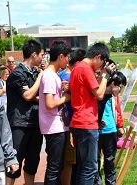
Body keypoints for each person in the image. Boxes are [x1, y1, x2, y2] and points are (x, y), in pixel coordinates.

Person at [69, 43, 116, 185]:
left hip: (78, 122)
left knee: (83, 167)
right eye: (102, 63)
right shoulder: (85, 69)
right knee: (90, 168)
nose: (101, 67)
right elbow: (100, 94)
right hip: (86, 123)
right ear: (98, 57)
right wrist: (106, 75)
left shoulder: (77, 67)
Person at [6, 39, 44, 185]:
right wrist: (39, 79)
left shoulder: (34, 73)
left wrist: (34, 93)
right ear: (33, 55)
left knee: (32, 164)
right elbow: (27, 96)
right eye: (41, 54)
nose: (43, 58)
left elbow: (36, 96)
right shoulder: (17, 73)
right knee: (14, 164)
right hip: (19, 125)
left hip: (35, 124)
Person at [39, 40, 71, 185]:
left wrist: (62, 90)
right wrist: (66, 98)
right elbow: (50, 103)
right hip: (54, 128)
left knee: (57, 167)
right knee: (54, 167)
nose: (68, 60)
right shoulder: (50, 76)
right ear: (61, 57)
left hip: (57, 126)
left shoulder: (54, 75)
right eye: (67, 57)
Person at [58, 49, 86, 185]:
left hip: (67, 120)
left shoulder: (61, 74)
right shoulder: (72, 74)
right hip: (74, 120)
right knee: (72, 158)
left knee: (68, 158)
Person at [94, 71, 127, 185]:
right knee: (95, 162)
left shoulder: (113, 97)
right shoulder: (99, 93)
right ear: (113, 84)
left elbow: (117, 110)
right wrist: (96, 121)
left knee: (110, 161)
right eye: (120, 87)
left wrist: (119, 126)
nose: (120, 91)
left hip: (111, 131)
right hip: (97, 132)